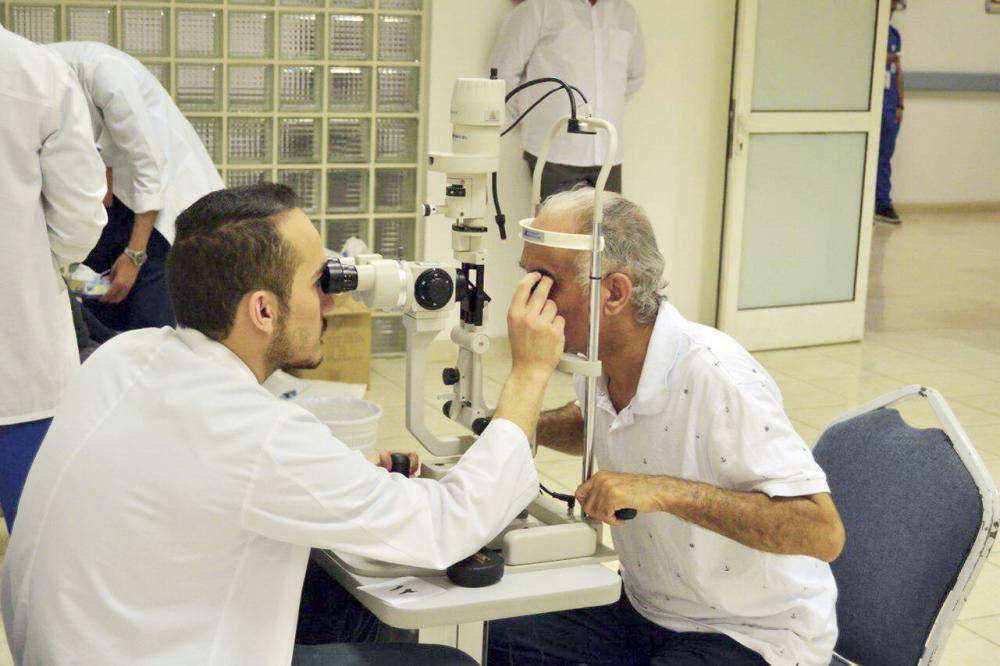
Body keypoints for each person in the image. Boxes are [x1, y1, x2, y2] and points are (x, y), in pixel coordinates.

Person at [1, 183, 567, 665]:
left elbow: (195, 479)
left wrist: (336, 476)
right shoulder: (257, 435)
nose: (333, 300)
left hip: (75, 646)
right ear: (264, 310)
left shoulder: (125, 355)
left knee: (351, 607)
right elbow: (449, 526)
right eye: (321, 282)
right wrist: (529, 372)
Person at [489, 189, 846, 666]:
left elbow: (821, 533)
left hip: (751, 633)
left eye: (544, 282)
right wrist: (518, 426)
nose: (527, 302)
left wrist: (661, 491)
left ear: (613, 293)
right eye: (526, 277)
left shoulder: (719, 378)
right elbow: (597, 419)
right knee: (479, 635)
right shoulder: (594, 358)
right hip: (644, 611)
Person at [0, 25, 107, 532]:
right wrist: (33, 266)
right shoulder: (35, 71)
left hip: (25, 373)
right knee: (39, 547)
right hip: (22, 367)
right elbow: (79, 217)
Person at [49, 41, 225, 331]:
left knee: (149, 325)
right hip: (120, 202)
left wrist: (134, 255)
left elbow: (148, 167)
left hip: (161, 206)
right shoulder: (44, 87)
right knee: (101, 309)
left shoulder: (103, 71)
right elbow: (92, 152)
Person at [490, 0, 645, 199]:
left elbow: (635, 76)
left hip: (608, 155)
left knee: (609, 221)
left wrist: (605, 109)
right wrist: (530, 117)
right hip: (554, 154)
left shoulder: (625, 13)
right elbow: (503, 72)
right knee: (557, 221)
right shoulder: (539, 7)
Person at [875, 1, 905, 225]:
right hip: (873, 102)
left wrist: (900, 104)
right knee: (866, 155)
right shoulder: (869, 32)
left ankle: (882, 203)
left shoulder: (894, 35)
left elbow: (898, 70)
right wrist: (884, 58)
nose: (892, 11)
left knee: (885, 156)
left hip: (890, 104)